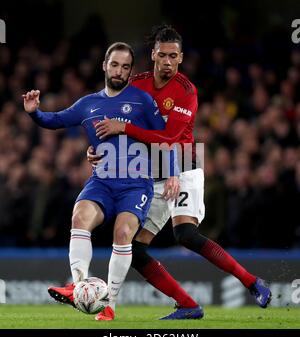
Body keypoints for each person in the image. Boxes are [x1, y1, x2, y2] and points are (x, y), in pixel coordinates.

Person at [90, 25, 272, 316]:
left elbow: (168, 139)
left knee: (185, 234)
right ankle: (188, 305)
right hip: (152, 171)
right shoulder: (136, 85)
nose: (167, 62)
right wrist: (99, 149)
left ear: (181, 57)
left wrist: (124, 127)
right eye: (162, 55)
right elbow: (111, 121)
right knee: (133, 250)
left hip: (184, 163)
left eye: (173, 56)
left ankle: (252, 282)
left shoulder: (187, 91)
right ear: (153, 55)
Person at [23, 42, 178, 321]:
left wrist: (174, 173)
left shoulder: (142, 101)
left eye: (126, 66)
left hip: (135, 184)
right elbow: (55, 119)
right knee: (80, 217)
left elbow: (166, 139)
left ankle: (110, 305)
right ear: (104, 66)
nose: (120, 71)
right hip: (103, 181)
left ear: (130, 71)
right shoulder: (88, 104)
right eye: (115, 64)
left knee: (122, 233)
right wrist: (35, 112)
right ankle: (78, 286)